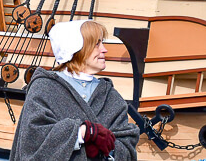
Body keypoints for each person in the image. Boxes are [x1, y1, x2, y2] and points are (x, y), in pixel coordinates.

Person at [9, 19, 139, 160]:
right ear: (77, 48)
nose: (104, 49)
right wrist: (80, 133)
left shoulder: (110, 96)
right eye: (97, 44)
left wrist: (106, 151)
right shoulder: (44, 88)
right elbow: (32, 141)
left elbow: (127, 146)